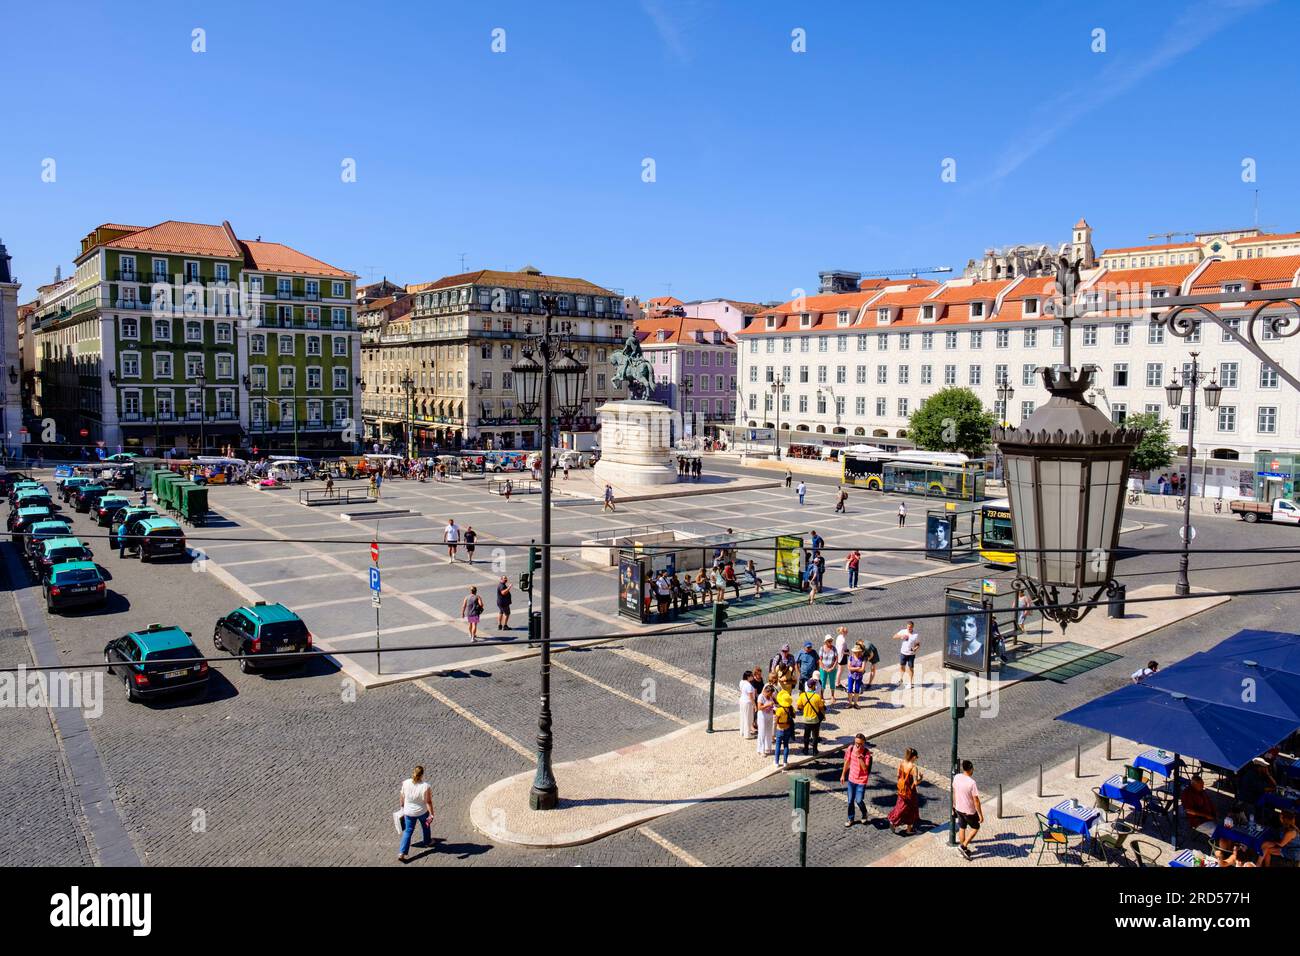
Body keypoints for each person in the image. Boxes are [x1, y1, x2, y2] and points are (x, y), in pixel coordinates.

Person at [397, 766, 435, 862]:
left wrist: (402, 807)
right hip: (422, 811)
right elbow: (428, 802)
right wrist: (431, 814)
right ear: (422, 775)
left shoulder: (405, 783)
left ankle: (402, 852)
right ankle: (427, 842)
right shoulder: (425, 786)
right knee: (426, 826)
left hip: (408, 812)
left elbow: (402, 796)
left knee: (408, 831)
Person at [952, 759, 983, 860]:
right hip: (969, 811)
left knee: (962, 827)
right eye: (972, 768)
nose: (973, 770)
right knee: (976, 827)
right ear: (970, 769)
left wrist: (954, 806)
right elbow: (976, 801)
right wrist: (980, 815)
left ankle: (963, 850)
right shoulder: (972, 783)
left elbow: (954, 792)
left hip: (958, 808)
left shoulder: (956, 777)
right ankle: (963, 846)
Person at [888, 748, 923, 835]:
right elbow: (915, 783)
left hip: (901, 790)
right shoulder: (914, 768)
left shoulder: (902, 763)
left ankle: (898, 822)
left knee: (900, 806)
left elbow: (898, 775)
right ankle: (903, 827)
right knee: (910, 809)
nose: (916, 759)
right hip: (910, 792)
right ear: (913, 757)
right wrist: (921, 778)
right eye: (916, 757)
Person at [841, 734, 873, 826]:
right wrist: (843, 775)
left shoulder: (866, 753)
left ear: (864, 743)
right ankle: (850, 818)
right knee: (850, 800)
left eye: (860, 744)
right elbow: (847, 762)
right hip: (851, 779)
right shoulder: (851, 748)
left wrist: (859, 756)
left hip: (861, 781)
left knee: (858, 800)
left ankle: (864, 813)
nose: (857, 745)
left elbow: (865, 769)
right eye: (856, 743)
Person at [796, 678, 826, 756]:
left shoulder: (802, 695)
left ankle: (806, 750)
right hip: (815, 719)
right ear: (813, 686)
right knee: (815, 736)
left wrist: (804, 708)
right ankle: (815, 751)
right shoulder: (817, 697)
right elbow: (821, 708)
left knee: (806, 735)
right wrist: (824, 716)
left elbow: (798, 706)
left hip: (806, 719)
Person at [773, 689, 796, 768]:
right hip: (788, 728)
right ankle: (785, 762)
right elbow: (794, 716)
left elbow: (775, 721)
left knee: (778, 746)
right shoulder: (791, 709)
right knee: (786, 745)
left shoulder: (779, 710)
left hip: (780, 729)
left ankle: (776, 762)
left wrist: (773, 733)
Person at [894, 621, 920, 689]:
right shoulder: (903, 631)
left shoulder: (916, 635)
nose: (909, 628)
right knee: (902, 666)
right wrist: (901, 636)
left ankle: (910, 683)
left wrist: (915, 648)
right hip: (903, 653)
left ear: (912, 627)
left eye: (910, 627)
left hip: (911, 654)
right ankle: (901, 680)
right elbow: (894, 636)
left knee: (911, 668)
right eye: (908, 627)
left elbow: (918, 644)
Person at [755, 684, 776, 756]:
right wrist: (768, 705)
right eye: (770, 693)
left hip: (769, 716)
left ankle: (768, 748)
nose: (771, 695)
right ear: (767, 691)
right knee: (762, 733)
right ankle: (761, 750)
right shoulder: (761, 697)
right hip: (762, 717)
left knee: (769, 732)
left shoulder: (770, 697)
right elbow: (759, 707)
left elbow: (773, 705)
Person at [818, 637, 839, 703]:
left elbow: (836, 659)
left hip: (832, 669)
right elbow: (820, 660)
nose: (830, 642)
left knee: (832, 682)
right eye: (829, 641)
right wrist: (824, 668)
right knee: (823, 682)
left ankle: (832, 696)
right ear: (825, 642)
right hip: (823, 669)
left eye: (831, 641)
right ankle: (822, 696)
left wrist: (832, 668)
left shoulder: (834, 648)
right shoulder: (822, 648)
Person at [738, 671, 757, 740]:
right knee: (748, 718)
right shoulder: (748, 685)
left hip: (742, 701)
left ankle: (742, 732)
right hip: (747, 703)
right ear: (748, 677)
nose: (753, 677)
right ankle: (747, 734)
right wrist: (755, 705)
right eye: (751, 676)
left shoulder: (741, 682)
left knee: (743, 716)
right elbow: (751, 697)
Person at [747, 666, 765, 735]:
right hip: (755, 698)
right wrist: (760, 698)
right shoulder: (753, 681)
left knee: (757, 712)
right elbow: (755, 693)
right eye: (759, 674)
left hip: (760, 697)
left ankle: (755, 723)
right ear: (755, 674)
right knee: (754, 712)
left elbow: (762, 688)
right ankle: (751, 726)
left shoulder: (761, 679)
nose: (760, 676)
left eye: (760, 674)